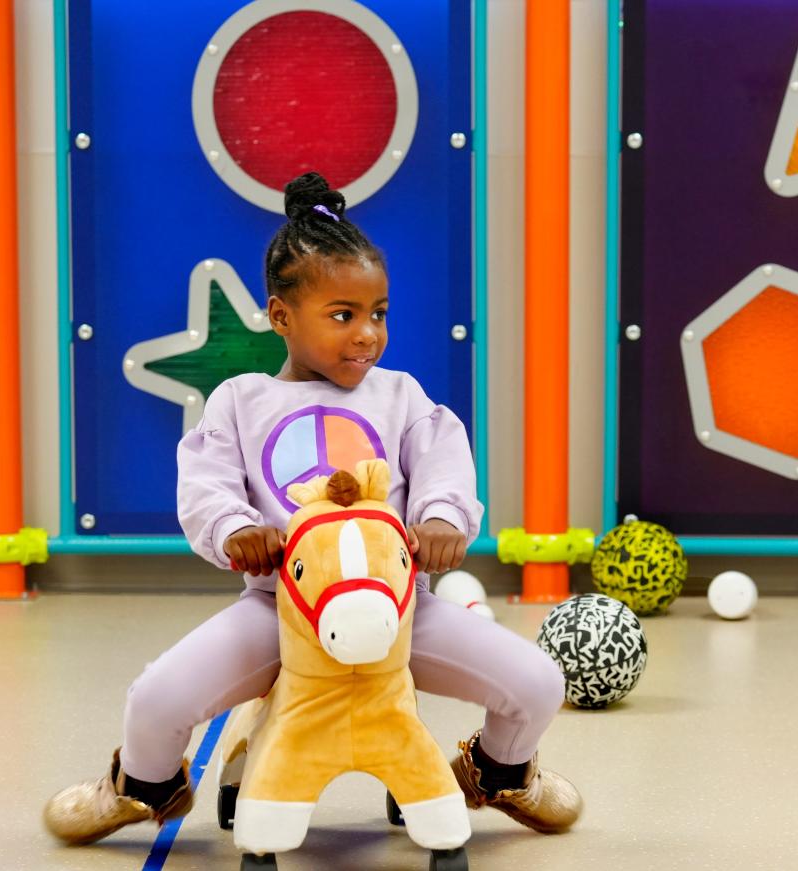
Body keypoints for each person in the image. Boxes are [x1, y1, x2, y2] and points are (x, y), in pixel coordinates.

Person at [43, 172, 582, 846]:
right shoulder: (240, 400)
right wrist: (237, 531)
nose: (367, 334)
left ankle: (500, 773)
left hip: (400, 612)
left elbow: (445, 460)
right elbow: (205, 484)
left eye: (379, 312)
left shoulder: (400, 395)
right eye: (342, 315)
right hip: (281, 613)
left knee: (535, 680)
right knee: (156, 697)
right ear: (280, 316)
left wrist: (445, 518)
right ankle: (139, 788)